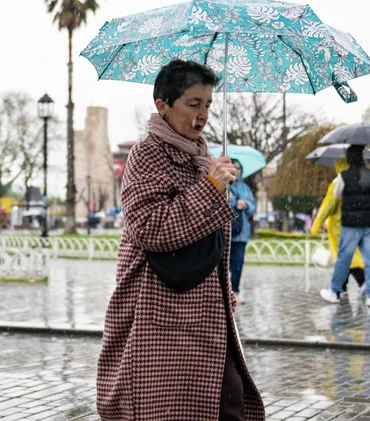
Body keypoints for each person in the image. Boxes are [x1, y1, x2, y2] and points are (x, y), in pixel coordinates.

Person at [96, 59, 264, 420]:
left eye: (207, 105)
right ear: (163, 105)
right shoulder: (148, 152)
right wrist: (212, 187)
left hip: (205, 309)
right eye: (193, 104)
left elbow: (208, 233)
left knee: (227, 399)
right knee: (171, 406)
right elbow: (149, 227)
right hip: (159, 307)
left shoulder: (203, 155)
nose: (202, 115)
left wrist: (225, 293)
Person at [319, 145, 370, 308]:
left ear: (348, 157)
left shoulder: (344, 176)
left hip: (351, 224)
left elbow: (336, 194)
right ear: (362, 157)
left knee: (343, 259)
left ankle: (335, 291)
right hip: (369, 223)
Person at [311, 158, 367, 296]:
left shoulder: (337, 183)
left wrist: (316, 225)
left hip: (339, 227)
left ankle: (357, 283)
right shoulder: (358, 182)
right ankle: (342, 287)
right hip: (354, 224)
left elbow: (327, 206)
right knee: (349, 256)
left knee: (345, 257)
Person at [229, 159, 256, 305]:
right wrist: (232, 201)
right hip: (225, 231)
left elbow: (253, 206)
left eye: (239, 168)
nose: (237, 170)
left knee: (238, 264)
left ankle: (235, 291)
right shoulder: (223, 184)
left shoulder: (245, 188)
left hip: (241, 233)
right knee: (221, 264)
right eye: (234, 167)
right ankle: (221, 291)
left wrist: (245, 204)